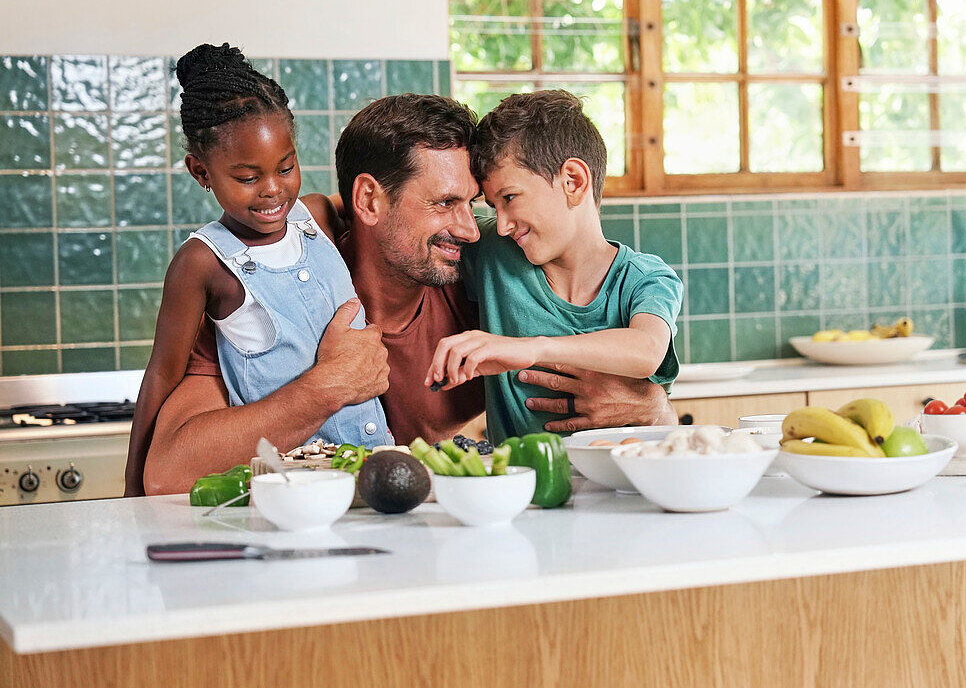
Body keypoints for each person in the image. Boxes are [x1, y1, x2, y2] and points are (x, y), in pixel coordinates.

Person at [141, 93, 678, 496]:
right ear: (369, 201)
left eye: (476, 203)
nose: (473, 229)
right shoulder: (269, 292)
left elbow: (625, 370)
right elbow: (168, 472)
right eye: (445, 203)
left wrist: (654, 411)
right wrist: (326, 387)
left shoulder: (488, 277)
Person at [123, 43, 389, 496]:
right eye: (247, 178)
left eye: (286, 167)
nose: (272, 191)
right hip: (288, 484)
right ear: (201, 172)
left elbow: (389, 208)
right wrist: (132, 490)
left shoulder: (317, 216)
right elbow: (162, 375)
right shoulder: (203, 262)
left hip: (378, 465)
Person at [426, 90, 683, 443]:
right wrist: (324, 208)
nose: (501, 225)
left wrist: (532, 348)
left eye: (510, 199)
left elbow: (646, 351)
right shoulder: (492, 251)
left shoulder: (644, 279)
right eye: (492, 206)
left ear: (573, 182)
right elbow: (399, 204)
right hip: (522, 492)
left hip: (625, 488)